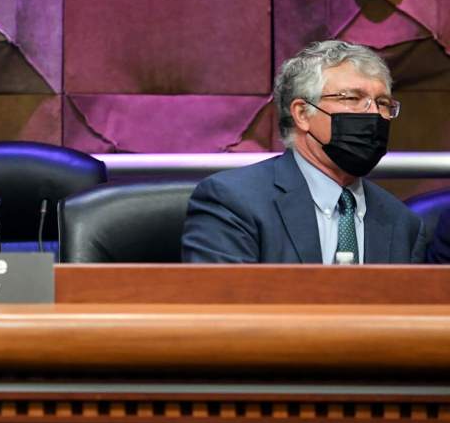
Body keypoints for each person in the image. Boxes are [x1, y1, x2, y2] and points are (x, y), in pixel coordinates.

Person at [182, 40, 425, 264]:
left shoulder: (403, 224)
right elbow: (225, 305)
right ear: (302, 113)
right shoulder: (233, 201)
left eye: (382, 103)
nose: (373, 115)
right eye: (353, 98)